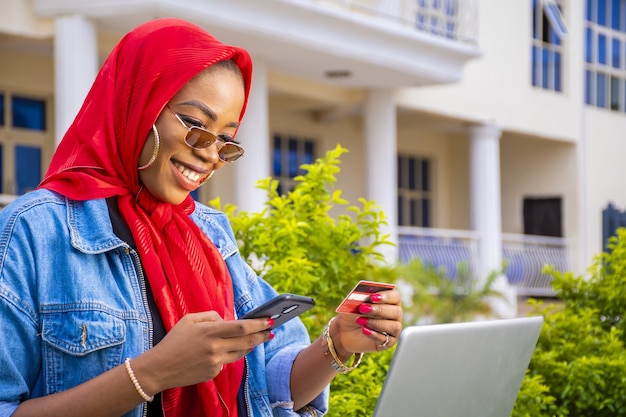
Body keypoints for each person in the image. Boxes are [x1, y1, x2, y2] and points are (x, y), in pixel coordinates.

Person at [0, 18, 403, 417]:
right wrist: (152, 373)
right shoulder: (34, 231)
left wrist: (337, 344)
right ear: (139, 104)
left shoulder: (208, 233)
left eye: (226, 139)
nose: (211, 154)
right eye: (196, 125)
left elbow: (272, 387)